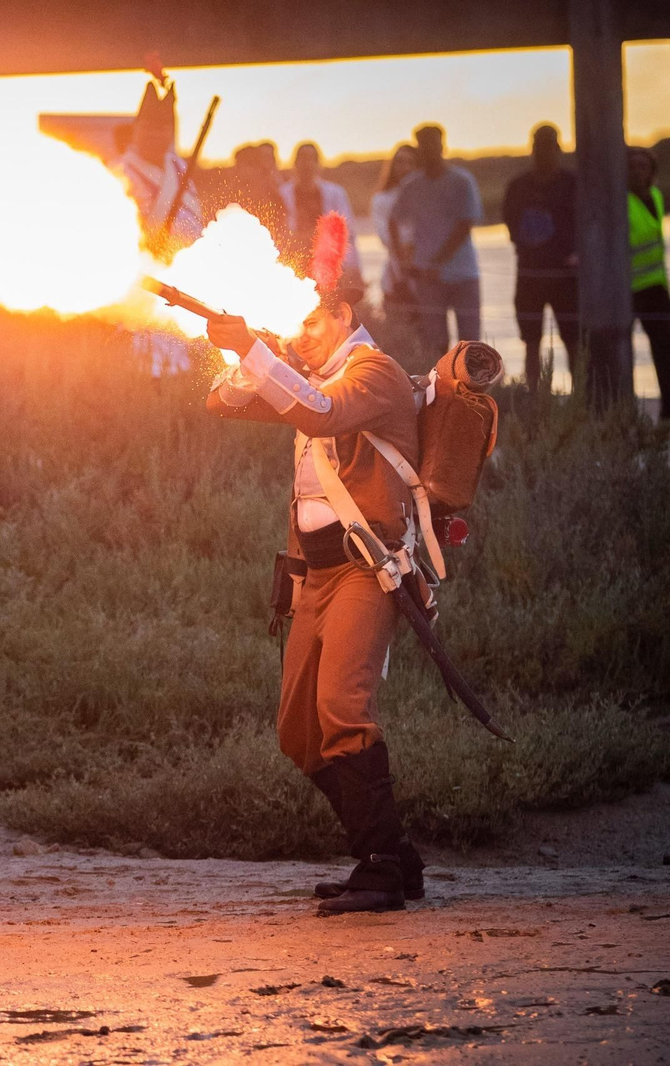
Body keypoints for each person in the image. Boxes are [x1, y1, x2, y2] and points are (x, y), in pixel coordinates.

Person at [202, 242, 427, 916]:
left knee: (342, 712)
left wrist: (258, 350)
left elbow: (321, 412)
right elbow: (222, 402)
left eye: (309, 322)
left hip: (368, 570)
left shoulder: (373, 372)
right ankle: (397, 854)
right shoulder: (307, 373)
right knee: (299, 732)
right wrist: (252, 352)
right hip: (318, 575)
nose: (300, 336)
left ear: (343, 315)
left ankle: (380, 869)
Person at [112, 74, 200, 375]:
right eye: (151, 127)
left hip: (185, 280)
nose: (158, 135)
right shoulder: (121, 172)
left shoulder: (179, 166)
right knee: (140, 368)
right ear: (138, 129)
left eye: (164, 128)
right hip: (142, 282)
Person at [390, 124, 484, 355]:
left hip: (463, 274)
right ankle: (440, 379)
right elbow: (394, 220)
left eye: (433, 144)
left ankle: (470, 380)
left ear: (442, 146)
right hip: (427, 279)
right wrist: (402, 259)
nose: (429, 151)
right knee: (435, 345)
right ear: (419, 149)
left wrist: (437, 262)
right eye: (424, 146)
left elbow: (465, 225)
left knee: (470, 344)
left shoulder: (462, 181)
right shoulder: (412, 185)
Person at [502, 125, 579, 392]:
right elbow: (511, 226)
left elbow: (586, 225)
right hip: (530, 275)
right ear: (532, 149)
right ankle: (535, 398)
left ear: (558, 149)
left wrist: (576, 254)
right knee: (531, 340)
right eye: (539, 146)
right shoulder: (518, 186)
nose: (543, 152)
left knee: (574, 339)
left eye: (549, 146)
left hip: (566, 277)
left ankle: (580, 398)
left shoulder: (572, 183)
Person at [629, 146, 670, 415]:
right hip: (627, 290)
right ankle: (624, 408)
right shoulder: (620, 201)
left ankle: (667, 410)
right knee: (621, 349)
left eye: (642, 166)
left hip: (656, 287)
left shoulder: (655, 195)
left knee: (665, 350)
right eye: (632, 167)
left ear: (651, 171)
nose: (637, 172)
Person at [370, 143, 420, 357]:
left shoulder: (424, 197)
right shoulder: (382, 199)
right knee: (397, 339)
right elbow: (385, 236)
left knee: (429, 338)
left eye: (410, 162)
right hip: (395, 278)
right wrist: (407, 246)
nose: (405, 167)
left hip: (425, 279)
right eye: (400, 162)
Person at [280, 143, 361, 274]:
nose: (307, 164)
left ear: (318, 164)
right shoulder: (282, 194)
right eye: (303, 158)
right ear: (295, 163)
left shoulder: (336, 193)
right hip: (292, 265)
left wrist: (354, 269)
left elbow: (347, 232)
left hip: (328, 266)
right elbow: (278, 234)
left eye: (312, 159)